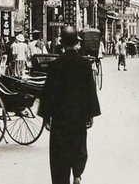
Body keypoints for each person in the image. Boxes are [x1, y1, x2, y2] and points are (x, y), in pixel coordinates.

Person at [39, 26, 101, 184]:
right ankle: (78, 174)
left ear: (62, 43)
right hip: (78, 115)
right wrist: (91, 114)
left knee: (59, 151)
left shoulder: (55, 65)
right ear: (77, 43)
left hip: (60, 117)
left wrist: (46, 116)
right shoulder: (85, 64)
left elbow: (48, 92)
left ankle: (62, 180)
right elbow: (90, 90)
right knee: (78, 145)